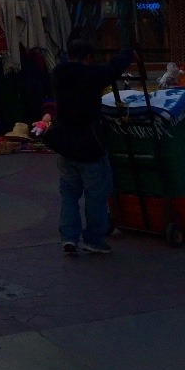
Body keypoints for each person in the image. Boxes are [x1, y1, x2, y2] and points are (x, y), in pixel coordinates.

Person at [51, 38, 132, 255]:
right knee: (96, 194)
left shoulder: (59, 73)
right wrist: (127, 51)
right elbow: (113, 69)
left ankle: (68, 237)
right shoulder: (91, 74)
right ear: (88, 57)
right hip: (90, 143)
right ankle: (94, 239)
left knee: (68, 192)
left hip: (65, 143)